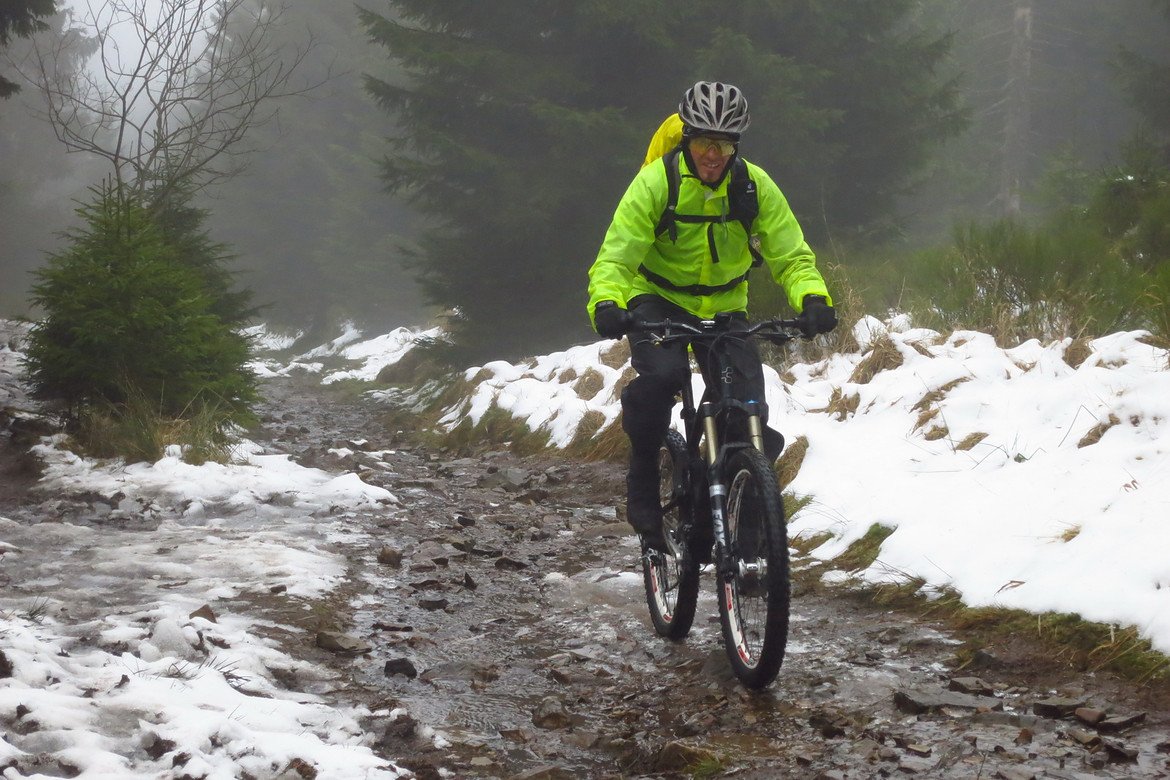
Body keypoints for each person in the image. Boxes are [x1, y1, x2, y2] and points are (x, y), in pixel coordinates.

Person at [586, 81, 837, 553]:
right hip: (657, 297)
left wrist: (812, 299)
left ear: (735, 145)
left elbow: (790, 255)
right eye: (704, 142)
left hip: (724, 305)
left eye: (723, 144)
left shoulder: (753, 186)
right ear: (687, 139)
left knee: (745, 408)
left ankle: (743, 527)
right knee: (663, 377)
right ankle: (643, 473)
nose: (713, 155)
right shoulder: (656, 183)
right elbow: (616, 256)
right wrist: (606, 303)